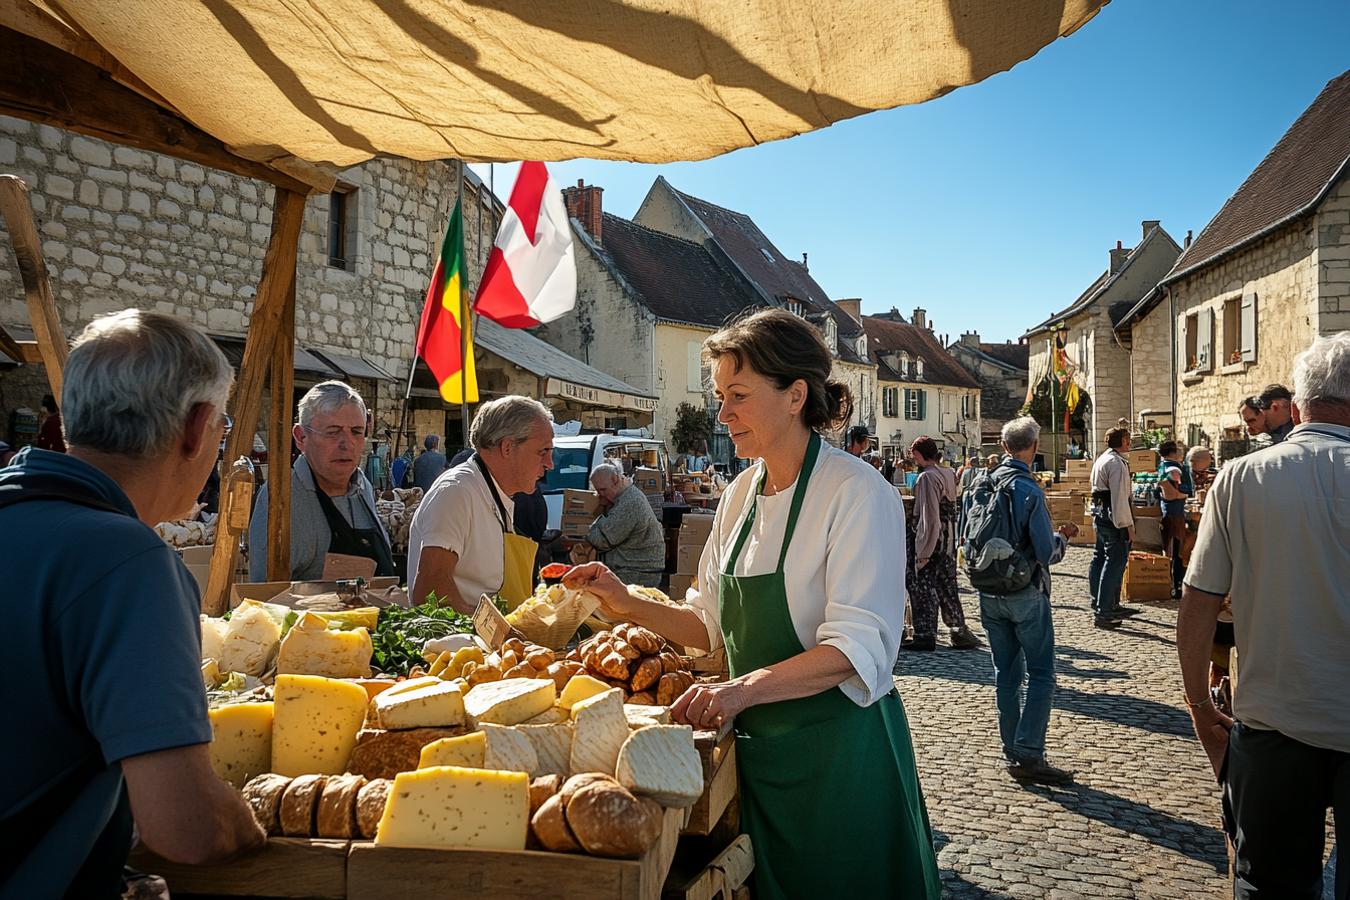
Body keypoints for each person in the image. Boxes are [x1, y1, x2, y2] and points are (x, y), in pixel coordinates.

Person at [564, 308, 941, 898]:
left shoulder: (856, 492)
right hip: (759, 761)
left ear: (795, 396)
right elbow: (708, 623)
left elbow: (856, 648)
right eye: (719, 395)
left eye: (737, 394)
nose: (722, 413)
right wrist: (626, 603)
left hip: (842, 759)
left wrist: (737, 691)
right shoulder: (740, 493)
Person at [0, 310, 264, 897]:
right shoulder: (129, 562)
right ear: (197, 429)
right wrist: (253, 820)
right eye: (222, 430)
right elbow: (189, 830)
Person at [1177, 332, 1350, 898]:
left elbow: (1198, 600)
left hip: (1274, 718)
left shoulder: (1243, 477)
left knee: (1269, 884)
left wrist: (1200, 706)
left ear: (1297, 406)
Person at [962, 417, 1079, 786]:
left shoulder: (981, 482)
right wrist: (1063, 537)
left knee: (1006, 675)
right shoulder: (1028, 489)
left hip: (988, 589)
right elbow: (1045, 552)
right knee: (1042, 673)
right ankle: (1029, 752)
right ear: (1034, 445)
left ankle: (1012, 749)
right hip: (1025, 592)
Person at [407, 397, 555, 612]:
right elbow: (430, 592)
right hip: (461, 643)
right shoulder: (457, 492)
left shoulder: (494, 492)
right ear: (507, 447)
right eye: (543, 451)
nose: (549, 464)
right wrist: (498, 632)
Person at [249, 382, 393, 582]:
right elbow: (267, 598)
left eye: (356, 431)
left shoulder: (363, 487)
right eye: (333, 432)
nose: (347, 444)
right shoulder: (282, 499)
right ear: (301, 437)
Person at [904, 436, 980, 651]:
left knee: (923, 588)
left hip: (934, 540)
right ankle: (958, 630)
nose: (912, 457)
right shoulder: (947, 473)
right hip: (948, 539)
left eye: (914, 453)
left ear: (920, 453)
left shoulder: (927, 478)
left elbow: (929, 516)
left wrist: (923, 550)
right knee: (947, 586)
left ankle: (925, 634)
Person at [576, 461, 666, 587]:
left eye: (603, 490)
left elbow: (602, 540)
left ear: (616, 480)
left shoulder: (630, 502)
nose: (602, 495)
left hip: (637, 573)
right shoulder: (625, 497)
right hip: (635, 569)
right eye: (598, 492)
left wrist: (591, 528)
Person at [1088, 426, 1137, 629]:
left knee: (1100, 558)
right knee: (1114, 561)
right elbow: (1118, 498)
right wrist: (1126, 524)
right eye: (1128, 440)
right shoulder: (1115, 463)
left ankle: (1100, 601)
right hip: (1112, 517)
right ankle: (1105, 610)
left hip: (1101, 515)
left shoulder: (1103, 459)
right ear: (1124, 441)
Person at [1157, 440, 1193, 600]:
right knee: (1177, 551)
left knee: (1172, 551)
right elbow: (1170, 491)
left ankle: (1174, 584)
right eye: (1178, 450)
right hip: (1174, 515)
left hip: (1170, 513)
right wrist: (1183, 494)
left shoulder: (1165, 466)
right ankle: (1176, 586)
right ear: (1172, 452)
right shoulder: (1172, 468)